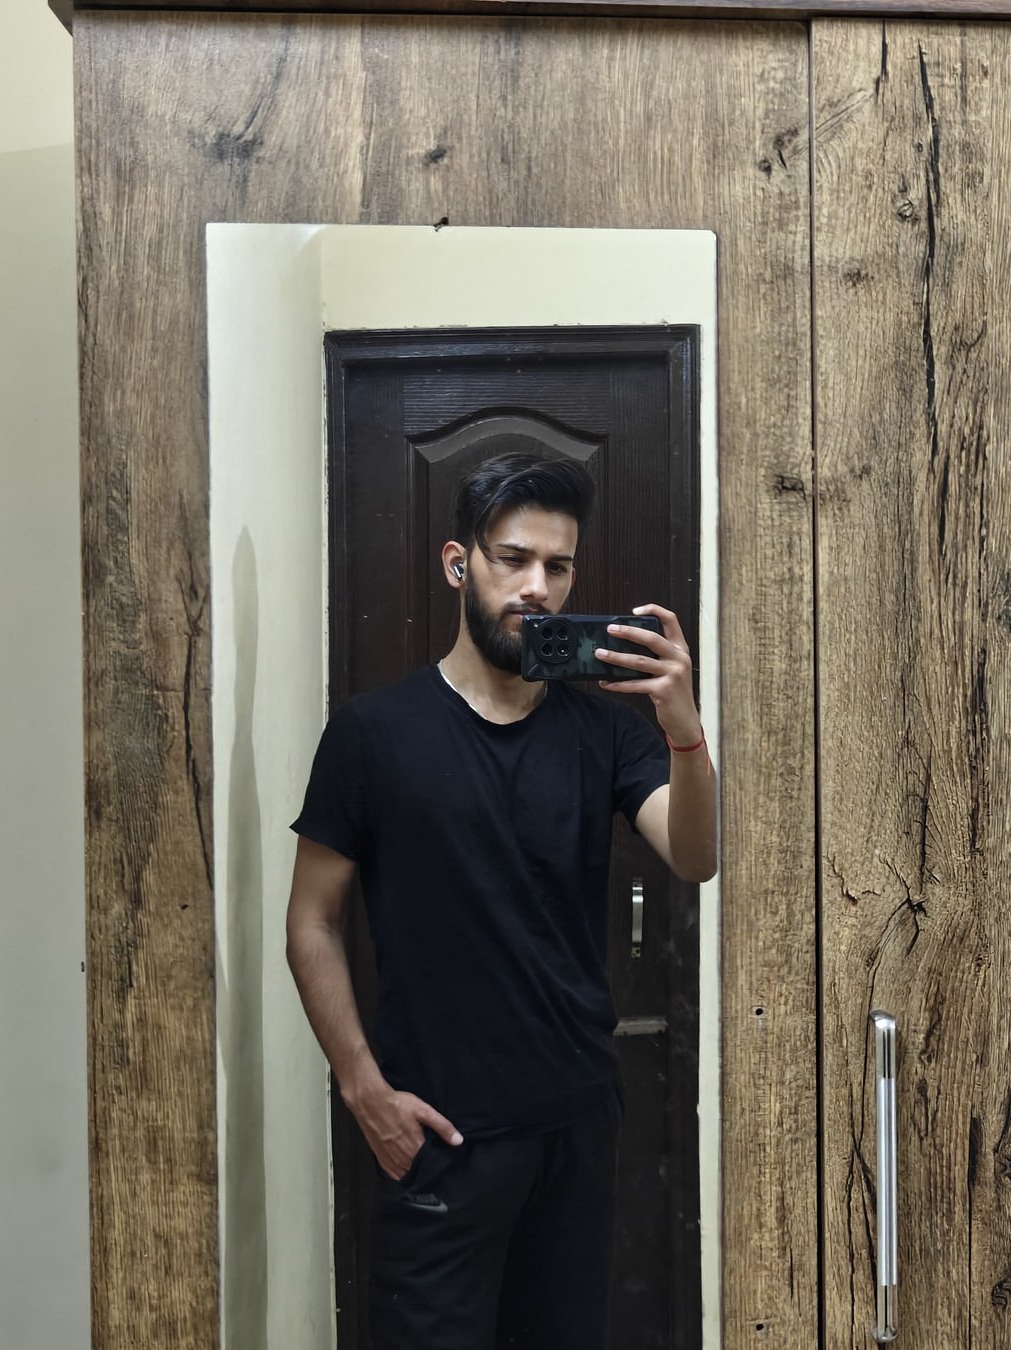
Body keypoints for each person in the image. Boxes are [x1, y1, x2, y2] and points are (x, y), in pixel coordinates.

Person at [283, 451, 717, 1349]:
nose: (536, 588)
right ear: (459, 563)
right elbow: (311, 922)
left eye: (557, 567)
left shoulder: (605, 732)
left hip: (576, 1129)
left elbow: (696, 856)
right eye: (513, 559)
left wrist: (684, 728)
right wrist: (363, 1090)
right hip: (440, 1138)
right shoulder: (372, 734)